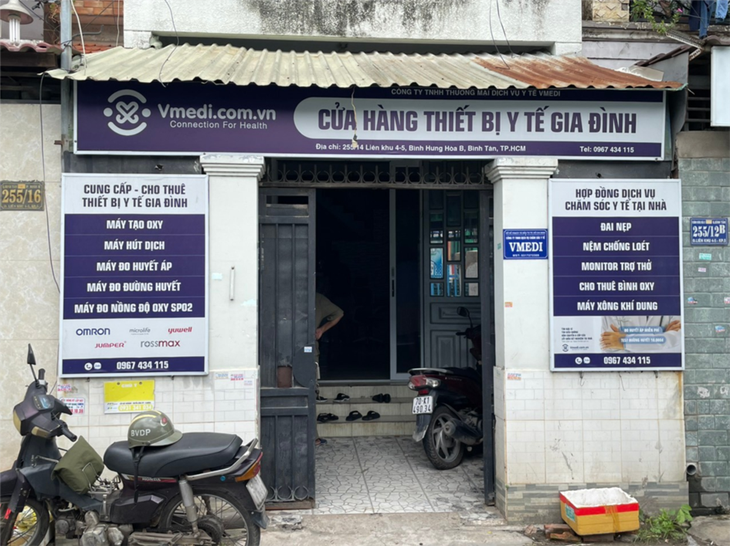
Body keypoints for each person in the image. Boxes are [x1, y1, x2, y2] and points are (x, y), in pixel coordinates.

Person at [315, 292, 344, 446]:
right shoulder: (317, 298)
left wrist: (321, 329)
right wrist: (322, 329)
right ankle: (313, 437)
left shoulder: (317, 299)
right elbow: (339, 313)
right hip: (308, 354)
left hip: (299, 352)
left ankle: (312, 437)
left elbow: (339, 313)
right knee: (309, 394)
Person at [600, 315, 682, 352]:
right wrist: (662, 338)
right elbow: (611, 347)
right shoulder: (613, 302)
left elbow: (677, 342)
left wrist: (625, 342)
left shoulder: (673, 298)